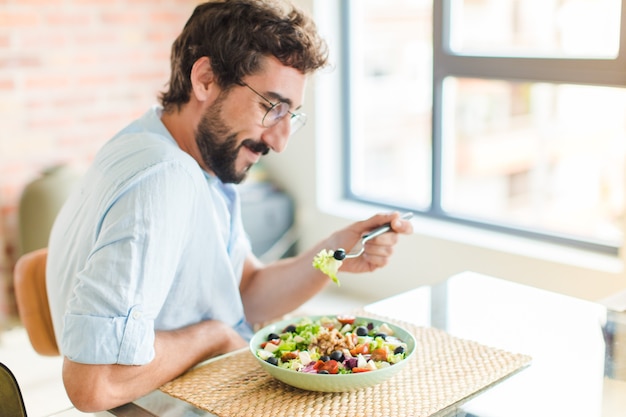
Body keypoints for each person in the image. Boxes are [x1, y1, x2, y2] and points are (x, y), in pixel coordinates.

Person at [46, 0, 413, 412]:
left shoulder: (170, 150)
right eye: (270, 107)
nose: (279, 140)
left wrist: (333, 253)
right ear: (205, 79)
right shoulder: (164, 180)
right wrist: (213, 336)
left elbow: (244, 292)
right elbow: (93, 384)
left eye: (291, 114)